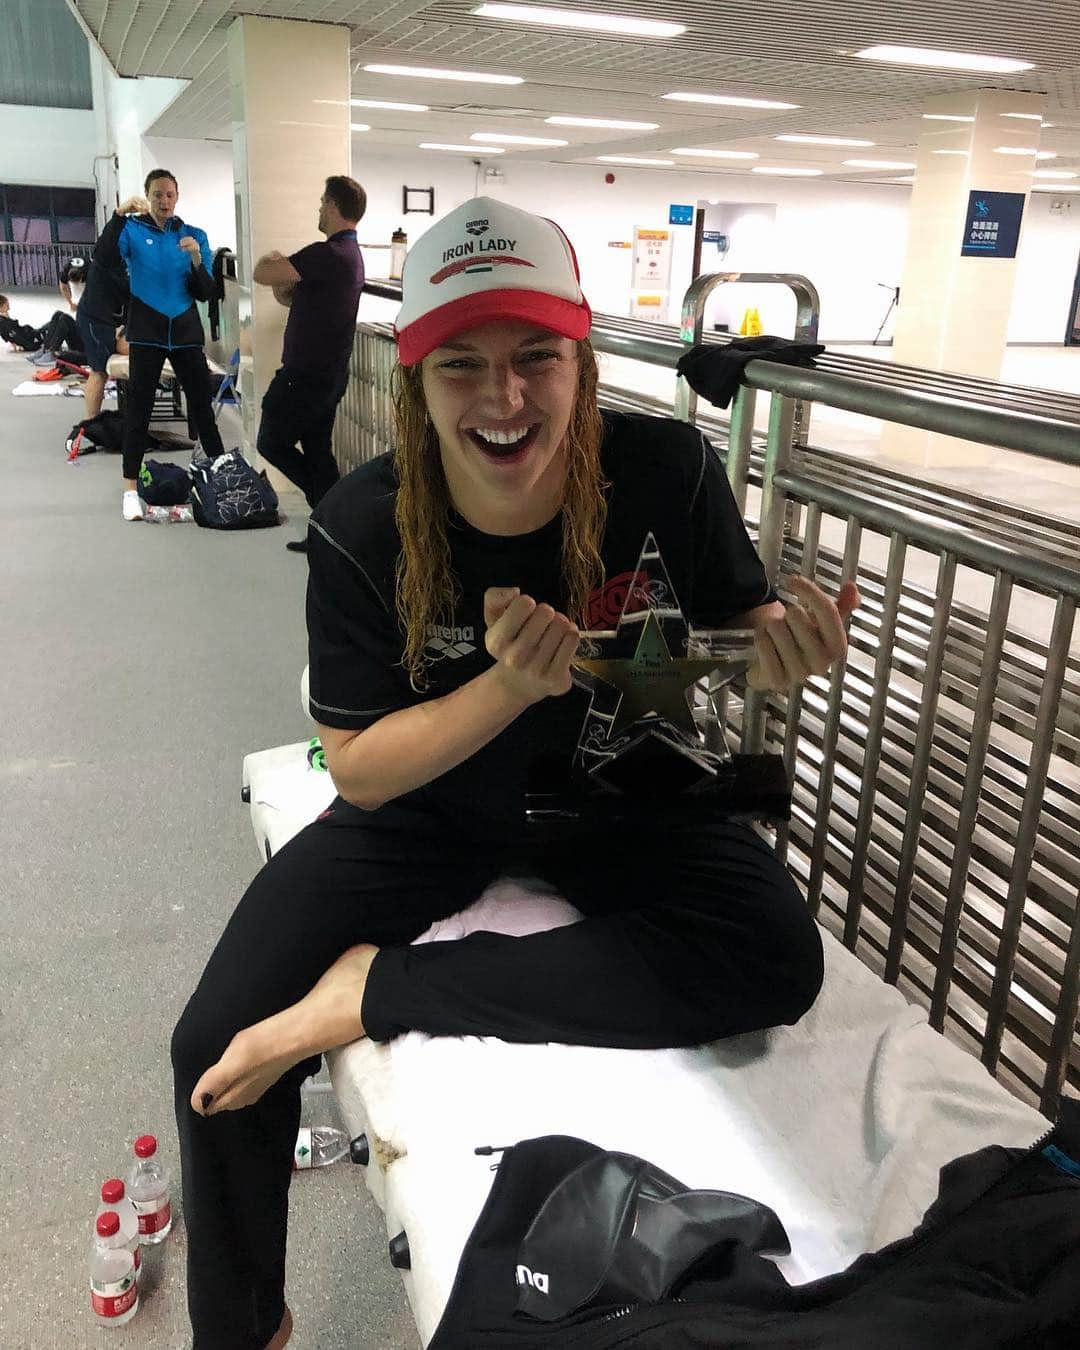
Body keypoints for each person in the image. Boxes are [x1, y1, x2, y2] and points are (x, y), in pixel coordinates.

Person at [172, 196, 860, 1350]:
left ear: (581, 362)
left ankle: (374, 986)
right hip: (433, 811)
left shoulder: (665, 469)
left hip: (625, 792)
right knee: (211, 1045)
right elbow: (362, 771)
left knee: (775, 958)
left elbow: (748, 621)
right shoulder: (365, 521)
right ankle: (245, 1328)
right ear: (419, 380)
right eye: (466, 368)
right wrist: (501, 688)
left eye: (538, 359)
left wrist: (787, 640)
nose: (505, 401)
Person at [93, 168, 226, 521]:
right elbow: (103, 258)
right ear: (147, 196)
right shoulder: (132, 231)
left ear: (177, 197)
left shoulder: (194, 235)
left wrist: (198, 259)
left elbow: (206, 291)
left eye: (169, 194)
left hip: (185, 334)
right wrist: (118, 217)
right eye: (157, 194)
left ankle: (220, 482)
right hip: (147, 334)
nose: (164, 200)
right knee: (139, 411)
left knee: (202, 410)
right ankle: (130, 490)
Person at [251, 175, 366, 553]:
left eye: (321, 202)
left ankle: (330, 507)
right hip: (328, 374)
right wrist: (286, 278)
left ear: (333, 206)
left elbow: (262, 274)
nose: (319, 208)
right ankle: (333, 531)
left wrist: (271, 258)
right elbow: (293, 297)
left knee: (270, 441)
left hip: (305, 376)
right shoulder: (348, 256)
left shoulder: (327, 253)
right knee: (318, 451)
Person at [75, 202, 137, 419]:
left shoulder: (136, 262)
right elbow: (108, 238)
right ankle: (91, 424)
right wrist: (120, 214)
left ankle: (134, 413)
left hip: (116, 320)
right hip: (94, 318)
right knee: (99, 371)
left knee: (139, 347)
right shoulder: (107, 255)